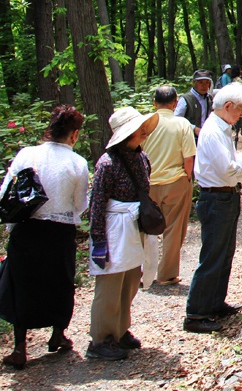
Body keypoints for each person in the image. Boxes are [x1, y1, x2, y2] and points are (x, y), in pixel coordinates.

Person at [0, 106, 89, 369]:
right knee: (60, 282)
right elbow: (79, 203)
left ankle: (19, 347)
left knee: (22, 284)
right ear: (74, 135)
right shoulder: (77, 162)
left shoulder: (27, 154)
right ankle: (58, 335)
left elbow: (6, 190)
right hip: (59, 232)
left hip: (27, 228)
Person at [184, 84, 242, 334]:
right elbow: (228, 169)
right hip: (215, 199)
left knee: (224, 253)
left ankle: (214, 303)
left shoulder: (222, 128)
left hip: (226, 196)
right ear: (228, 106)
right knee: (212, 255)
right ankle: (196, 313)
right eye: (241, 110)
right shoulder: (212, 132)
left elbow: (229, 164)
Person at [87, 106, 160, 361]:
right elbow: (96, 203)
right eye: (138, 129)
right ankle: (101, 339)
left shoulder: (142, 158)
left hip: (133, 226)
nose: (143, 133)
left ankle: (120, 330)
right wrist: (98, 240)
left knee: (130, 281)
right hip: (113, 229)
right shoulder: (107, 164)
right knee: (110, 284)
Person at [141, 86, 196, 287]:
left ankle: (140, 273)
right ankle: (167, 274)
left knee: (144, 228)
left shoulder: (145, 122)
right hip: (176, 181)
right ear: (175, 103)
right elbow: (188, 157)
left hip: (147, 183)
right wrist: (188, 177)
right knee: (173, 229)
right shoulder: (182, 124)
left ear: (154, 102)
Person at [175, 70, 215, 137]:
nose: (204, 85)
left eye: (207, 83)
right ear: (194, 83)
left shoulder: (209, 99)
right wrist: (193, 128)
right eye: (201, 82)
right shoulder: (186, 99)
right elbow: (176, 119)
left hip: (205, 137)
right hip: (188, 138)